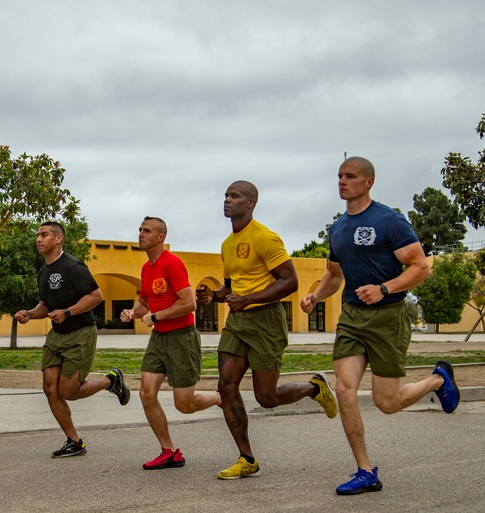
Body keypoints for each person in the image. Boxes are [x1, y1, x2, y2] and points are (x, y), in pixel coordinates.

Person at [300, 156, 460, 495]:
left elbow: (420, 268)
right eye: (340, 176)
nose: (342, 181)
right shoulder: (338, 228)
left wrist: (384, 288)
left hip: (388, 317)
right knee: (345, 391)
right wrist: (316, 296)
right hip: (352, 318)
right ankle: (365, 471)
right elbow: (334, 274)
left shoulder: (389, 221)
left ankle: (437, 380)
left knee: (387, 402)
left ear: (368, 182)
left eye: (350, 176)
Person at [196, 181, 337, 480]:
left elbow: (290, 282)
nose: (227, 200)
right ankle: (247, 458)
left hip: (266, 321)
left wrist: (248, 299)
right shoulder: (227, 244)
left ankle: (315, 388)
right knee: (226, 386)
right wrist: (214, 296)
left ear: (250, 203)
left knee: (266, 397)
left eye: (234, 196)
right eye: (225, 195)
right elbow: (231, 287)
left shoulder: (265, 238)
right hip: (238, 323)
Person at [15, 221, 131, 458]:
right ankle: (74, 441)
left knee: (68, 391)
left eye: (44, 235)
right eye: (38, 235)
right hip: (56, 335)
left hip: (80, 333)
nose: (38, 239)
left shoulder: (73, 267)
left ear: (58, 239)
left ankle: (111, 380)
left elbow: (96, 296)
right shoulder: (43, 271)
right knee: (50, 388)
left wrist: (68, 312)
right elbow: (46, 305)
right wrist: (30, 313)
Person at [119, 216, 222, 470]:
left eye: (146, 231)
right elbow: (144, 301)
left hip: (182, 338)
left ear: (160, 237)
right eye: (140, 230)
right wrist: (132, 312)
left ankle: (221, 397)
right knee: (146, 393)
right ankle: (168, 451)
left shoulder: (172, 264)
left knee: (184, 405)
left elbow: (189, 303)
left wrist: (156, 316)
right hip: (159, 339)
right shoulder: (146, 268)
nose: (140, 234)